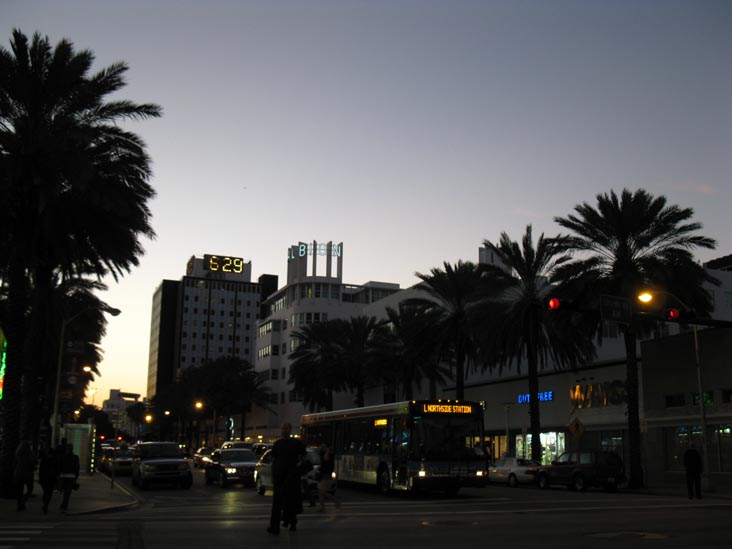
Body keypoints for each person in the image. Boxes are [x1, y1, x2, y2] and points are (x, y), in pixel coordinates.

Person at [267, 422, 306, 535]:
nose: (284, 430)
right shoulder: (280, 444)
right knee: (286, 501)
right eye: (283, 428)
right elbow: (274, 459)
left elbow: (303, 455)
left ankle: (281, 525)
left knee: (285, 502)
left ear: (289, 430)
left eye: (286, 428)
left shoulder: (290, 443)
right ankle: (281, 525)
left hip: (288, 477)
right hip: (283, 477)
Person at [13, 440, 36, 511]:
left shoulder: (18, 454)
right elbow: (33, 463)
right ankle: (23, 502)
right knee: (30, 489)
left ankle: (19, 505)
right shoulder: (29, 454)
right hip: (27, 475)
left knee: (19, 491)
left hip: (18, 474)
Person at [317, 445, 341, 512]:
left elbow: (326, 459)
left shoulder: (329, 455)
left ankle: (336, 501)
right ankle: (322, 507)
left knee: (322, 492)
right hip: (322, 475)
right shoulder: (323, 455)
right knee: (320, 492)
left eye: (323, 447)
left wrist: (327, 451)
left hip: (327, 476)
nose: (322, 448)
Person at [58, 444, 80, 512]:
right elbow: (77, 468)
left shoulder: (63, 457)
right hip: (71, 477)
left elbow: (60, 466)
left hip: (63, 476)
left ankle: (63, 505)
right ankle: (64, 505)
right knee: (67, 492)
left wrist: (59, 475)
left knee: (65, 491)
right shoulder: (75, 457)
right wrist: (76, 477)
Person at [38, 445, 59, 514]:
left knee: (45, 491)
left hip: (44, 478)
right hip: (51, 479)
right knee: (49, 492)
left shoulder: (44, 460)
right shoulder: (54, 460)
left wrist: (40, 479)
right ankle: (46, 504)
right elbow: (56, 471)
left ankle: (45, 503)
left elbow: (41, 471)